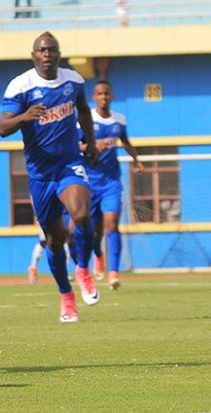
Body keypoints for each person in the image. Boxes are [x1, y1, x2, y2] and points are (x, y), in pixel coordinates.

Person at [0, 31, 100, 323]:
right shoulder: (21, 86)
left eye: (51, 49)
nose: (47, 54)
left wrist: (90, 141)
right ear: (33, 55)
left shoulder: (73, 80)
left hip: (69, 164)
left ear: (58, 53)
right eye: (41, 50)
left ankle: (83, 269)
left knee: (82, 216)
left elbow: (83, 109)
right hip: (40, 175)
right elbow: (2, 127)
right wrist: (24, 116)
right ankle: (66, 297)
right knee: (54, 242)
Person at [81, 80, 144, 290]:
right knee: (94, 231)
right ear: (94, 97)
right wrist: (92, 145)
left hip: (111, 181)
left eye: (107, 93)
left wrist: (136, 160)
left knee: (112, 224)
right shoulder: (86, 119)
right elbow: (74, 145)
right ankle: (98, 254)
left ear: (112, 96)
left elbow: (125, 141)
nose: (103, 97)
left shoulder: (120, 120)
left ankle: (114, 273)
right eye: (99, 94)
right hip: (90, 182)